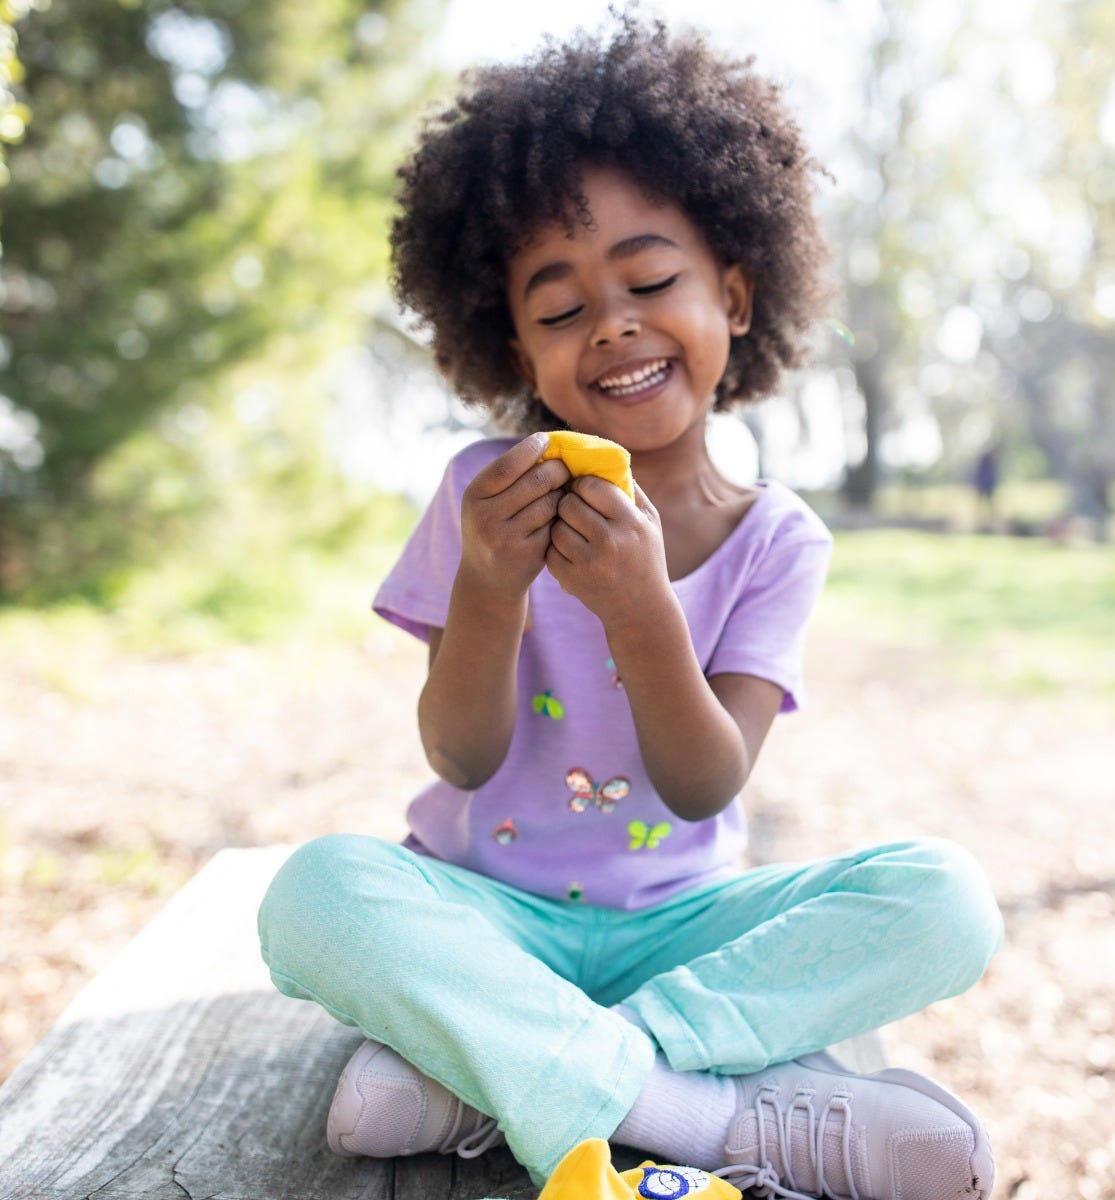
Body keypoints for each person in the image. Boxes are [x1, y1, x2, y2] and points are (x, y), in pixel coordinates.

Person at [256, 17, 1004, 1200]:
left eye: (651, 281)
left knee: (949, 899)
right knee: (314, 896)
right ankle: (697, 1115)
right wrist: (492, 587)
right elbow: (458, 755)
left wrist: (643, 611)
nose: (610, 322)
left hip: (682, 934)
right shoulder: (476, 497)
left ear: (738, 296)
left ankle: (491, 1078)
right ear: (515, 347)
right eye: (559, 311)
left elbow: (706, 783)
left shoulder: (775, 538)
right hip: (491, 916)